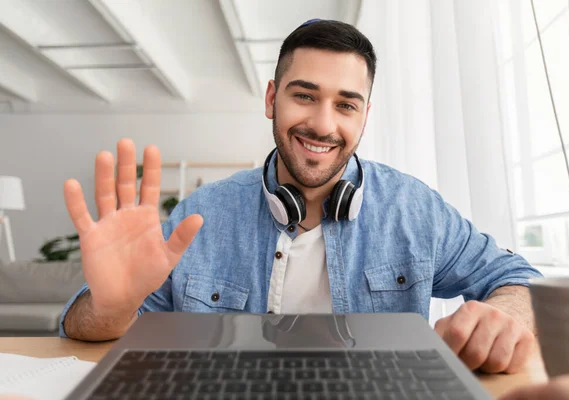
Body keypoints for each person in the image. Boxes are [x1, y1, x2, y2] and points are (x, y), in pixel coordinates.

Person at [60, 19, 543, 374]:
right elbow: (88, 330)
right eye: (305, 95)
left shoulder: (413, 209)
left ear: (364, 115)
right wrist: (111, 307)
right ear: (272, 98)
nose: (324, 124)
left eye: (345, 105)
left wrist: (502, 317)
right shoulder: (200, 215)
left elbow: (518, 278)